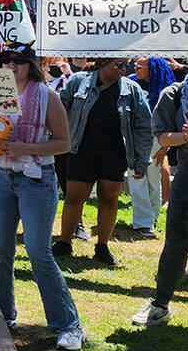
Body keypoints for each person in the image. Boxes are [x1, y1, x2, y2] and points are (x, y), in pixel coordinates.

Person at [0, 41, 84, 350]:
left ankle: (68, 324)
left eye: (18, 61)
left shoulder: (47, 96)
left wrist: (26, 149)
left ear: (31, 65)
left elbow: (64, 143)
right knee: (0, 251)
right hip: (0, 177)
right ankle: (2, 314)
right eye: (5, 60)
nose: (11, 66)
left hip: (36, 180)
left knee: (39, 252)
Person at [131, 41, 188, 327]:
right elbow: (162, 137)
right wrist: (184, 137)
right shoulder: (174, 94)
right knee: (176, 244)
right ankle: (160, 305)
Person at [52, 58, 152, 266]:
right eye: (119, 64)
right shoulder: (78, 81)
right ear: (102, 63)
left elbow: (143, 127)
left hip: (115, 153)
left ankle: (102, 247)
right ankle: (64, 242)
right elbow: (60, 111)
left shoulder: (131, 90)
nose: (124, 69)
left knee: (109, 199)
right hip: (80, 149)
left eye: (126, 65)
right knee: (73, 198)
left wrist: (141, 160)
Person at [128, 57, 175, 240]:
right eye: (136, 64)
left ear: (154, 67)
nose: (136, 67)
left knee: (153, 178)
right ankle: (142, 222)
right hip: (134, 137)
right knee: (136, 176)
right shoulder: (131, 83)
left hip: (157, 139)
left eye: (142, 64)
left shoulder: (167, 90)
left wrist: (165, 148)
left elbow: (172, 120)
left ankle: (152, 216)